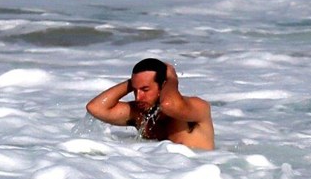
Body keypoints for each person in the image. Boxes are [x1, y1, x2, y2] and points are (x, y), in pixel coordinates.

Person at [86, 58, 215, 150]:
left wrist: (172, 79)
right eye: (135, 90)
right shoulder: (140, 114)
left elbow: (168, 105)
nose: (138, 97)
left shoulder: (197, 108)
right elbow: (95, 108)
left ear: (164, 85)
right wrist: (133, 83)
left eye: (145, 89)